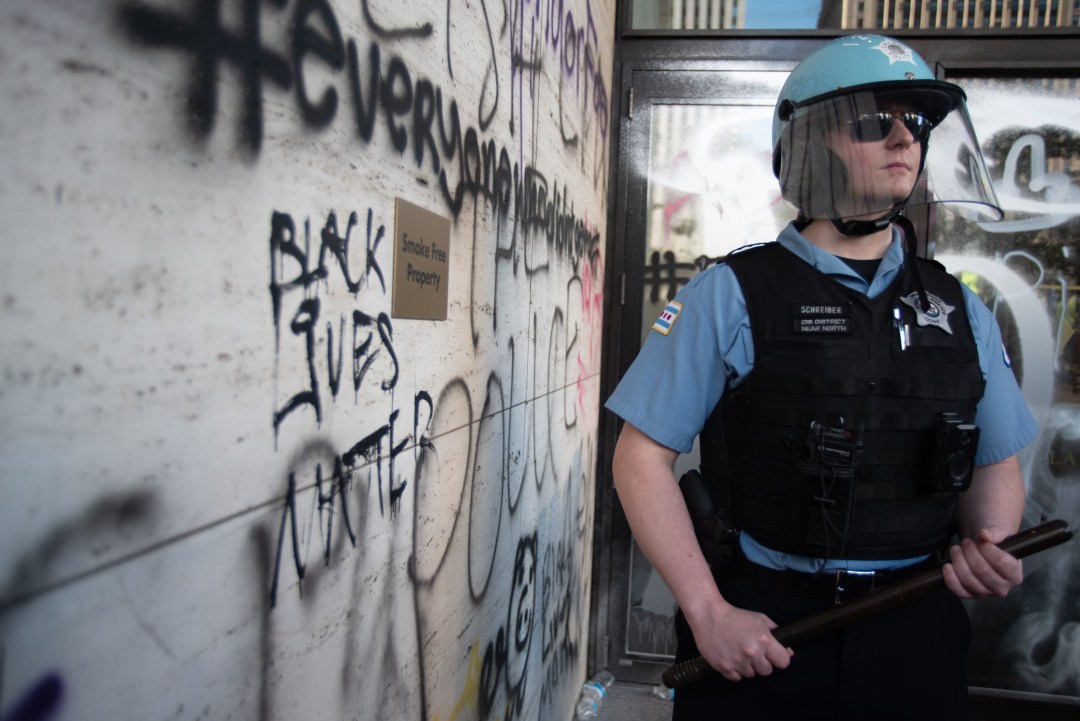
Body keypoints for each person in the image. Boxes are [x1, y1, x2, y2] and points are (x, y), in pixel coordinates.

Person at [606, 35, 1038, 721]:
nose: (903, 138)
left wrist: (988, 548)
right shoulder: (731, 293)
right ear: (809, 144)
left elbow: (995, 467)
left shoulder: (960, 309)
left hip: (914, 623)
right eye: (874, 120)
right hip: (765, 626)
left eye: (916, 123)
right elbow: (640, 459)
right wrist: (709, 612)